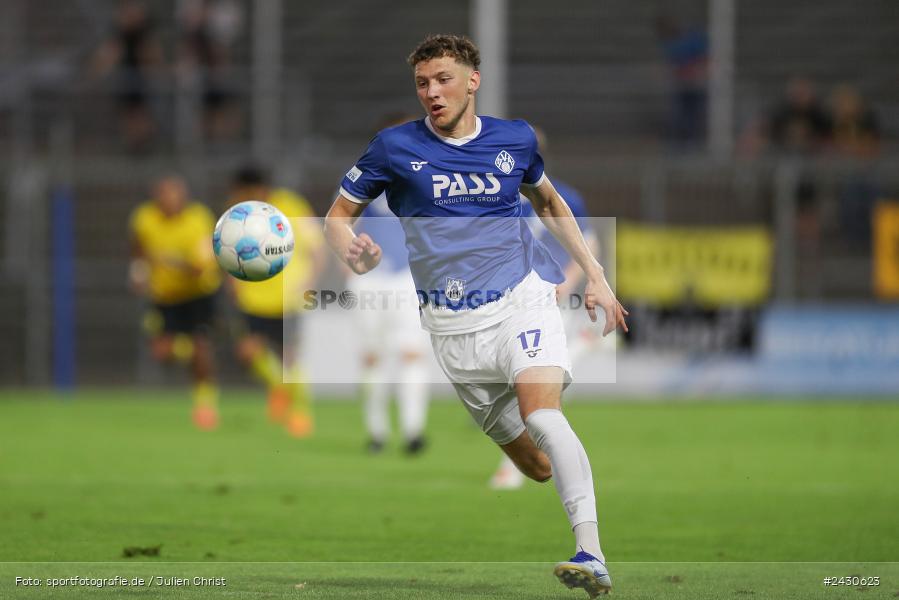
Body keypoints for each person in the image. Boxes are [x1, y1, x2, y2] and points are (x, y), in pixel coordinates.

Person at [323, 35, 627, 597]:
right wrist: (351, 250)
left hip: (522, 298)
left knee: (544, 416)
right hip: (452, 327)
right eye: (422, 83)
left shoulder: (514, 138)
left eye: (443, 79)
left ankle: (592, 553)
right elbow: (338, 216)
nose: (432, 92)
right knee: (536, 466)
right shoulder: (393, 147)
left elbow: (549, 202)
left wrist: (597, 278)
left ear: (472, 81)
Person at [490, 126, 601, 491]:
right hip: (509, 299)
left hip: (550, 297)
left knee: (536, 385)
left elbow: (589, 243)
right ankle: (584, 343)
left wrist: (569, 282)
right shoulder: (493, 195)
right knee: (528, 382)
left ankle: (515, 466)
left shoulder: (564, 197)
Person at [226, 165, 325, 437]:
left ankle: (301, 412)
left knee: (290, 358)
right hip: (253, 297)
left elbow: (317, 247)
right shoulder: (239, 213)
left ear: (256, 189)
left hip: (287, 297)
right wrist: (232, 280)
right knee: (247, 352)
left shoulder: (289, 205)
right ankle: (278, 387)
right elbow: (229, 250)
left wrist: (310, 282)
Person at [129, 174, 221, 429]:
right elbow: (138, 249)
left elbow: (199, 269)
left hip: (198, 294)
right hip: (164, 296)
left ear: (183, 197)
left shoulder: (198, 219)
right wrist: (137, 273)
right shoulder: (144, 218)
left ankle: (205, 405)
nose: (167, 200)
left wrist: (171, 261)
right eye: (162, 194)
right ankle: (187, 348)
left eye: (172, 194)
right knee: (162, 352)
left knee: (202, 349)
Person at [353, 190, 432, 455]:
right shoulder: (358, 181)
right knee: (372, 357)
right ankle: (377, 433)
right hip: (367, 279)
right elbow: (340, 225)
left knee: (411, 354)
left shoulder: (417, 178)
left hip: (406, 277)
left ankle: (413, 431)